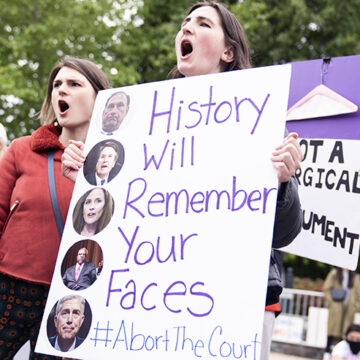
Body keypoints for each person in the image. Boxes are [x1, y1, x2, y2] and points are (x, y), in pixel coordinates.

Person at [169, 2, 303, 360]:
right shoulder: (150, 126)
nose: (186, 29)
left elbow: (286, 232)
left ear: (228, 51)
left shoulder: (261, 121)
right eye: (184, 23)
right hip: (160, 297)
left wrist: (283, 183)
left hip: (237, 302)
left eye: (202, 23)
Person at [0, 57, 110, 360]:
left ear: (100, 98)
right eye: (57, 85)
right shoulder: (21, 149)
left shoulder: (112, 164)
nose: (62, 90)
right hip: (8, 289)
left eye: (75, 84)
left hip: (71, 298)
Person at [323, 268, 360, 359]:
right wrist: (332, 303)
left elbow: (358, 293)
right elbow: (327, 289)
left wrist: (356, 306)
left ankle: (344, 354)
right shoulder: (335, 273)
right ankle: (327, 352)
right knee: (332, 330)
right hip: (337, 306)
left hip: (349, 308)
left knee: (346, 332)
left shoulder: (355, 276)